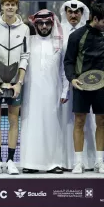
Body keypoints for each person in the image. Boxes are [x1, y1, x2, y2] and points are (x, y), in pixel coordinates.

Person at [64, 3, 104, 174]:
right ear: (95, 19)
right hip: (81, 85)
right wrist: (72, 79)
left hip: (103, 86)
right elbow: (69, 61)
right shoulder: (77, 36)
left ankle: (99, 162)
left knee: (101, 122)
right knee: (79, 122)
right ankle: (78, 163)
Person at [0, 0, 30, 175]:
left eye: (13, 4)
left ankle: (10, 161)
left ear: (17, 7)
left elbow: (25, 57)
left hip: (15, 83)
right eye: (6, 4)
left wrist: (19, 83)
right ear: (1, 7)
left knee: (13, 120)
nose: (10, 7)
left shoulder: (24, 29)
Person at [20, 9, 68, 174]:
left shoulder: (59, 44)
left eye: (48, 23)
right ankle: (30, 163)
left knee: (52, 127)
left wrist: (65, 91)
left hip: (53, 93)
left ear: (52, 24)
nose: (44, 26)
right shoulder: (29, 41)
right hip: (31, 94)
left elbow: (64, 70)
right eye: (41, 23)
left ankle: (53, 163)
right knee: (31, 126)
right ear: (35, 24)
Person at [59, 0, 97, 171]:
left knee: (87, 123)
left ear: (82, 14)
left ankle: (89, 161)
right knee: (65, 122)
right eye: (70, 12)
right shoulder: (57, 31)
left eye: (77, 12)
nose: (73, 15)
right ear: (65, 13)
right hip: (63, 84)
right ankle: (66, 161)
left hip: (86, 85)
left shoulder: (91, 32)